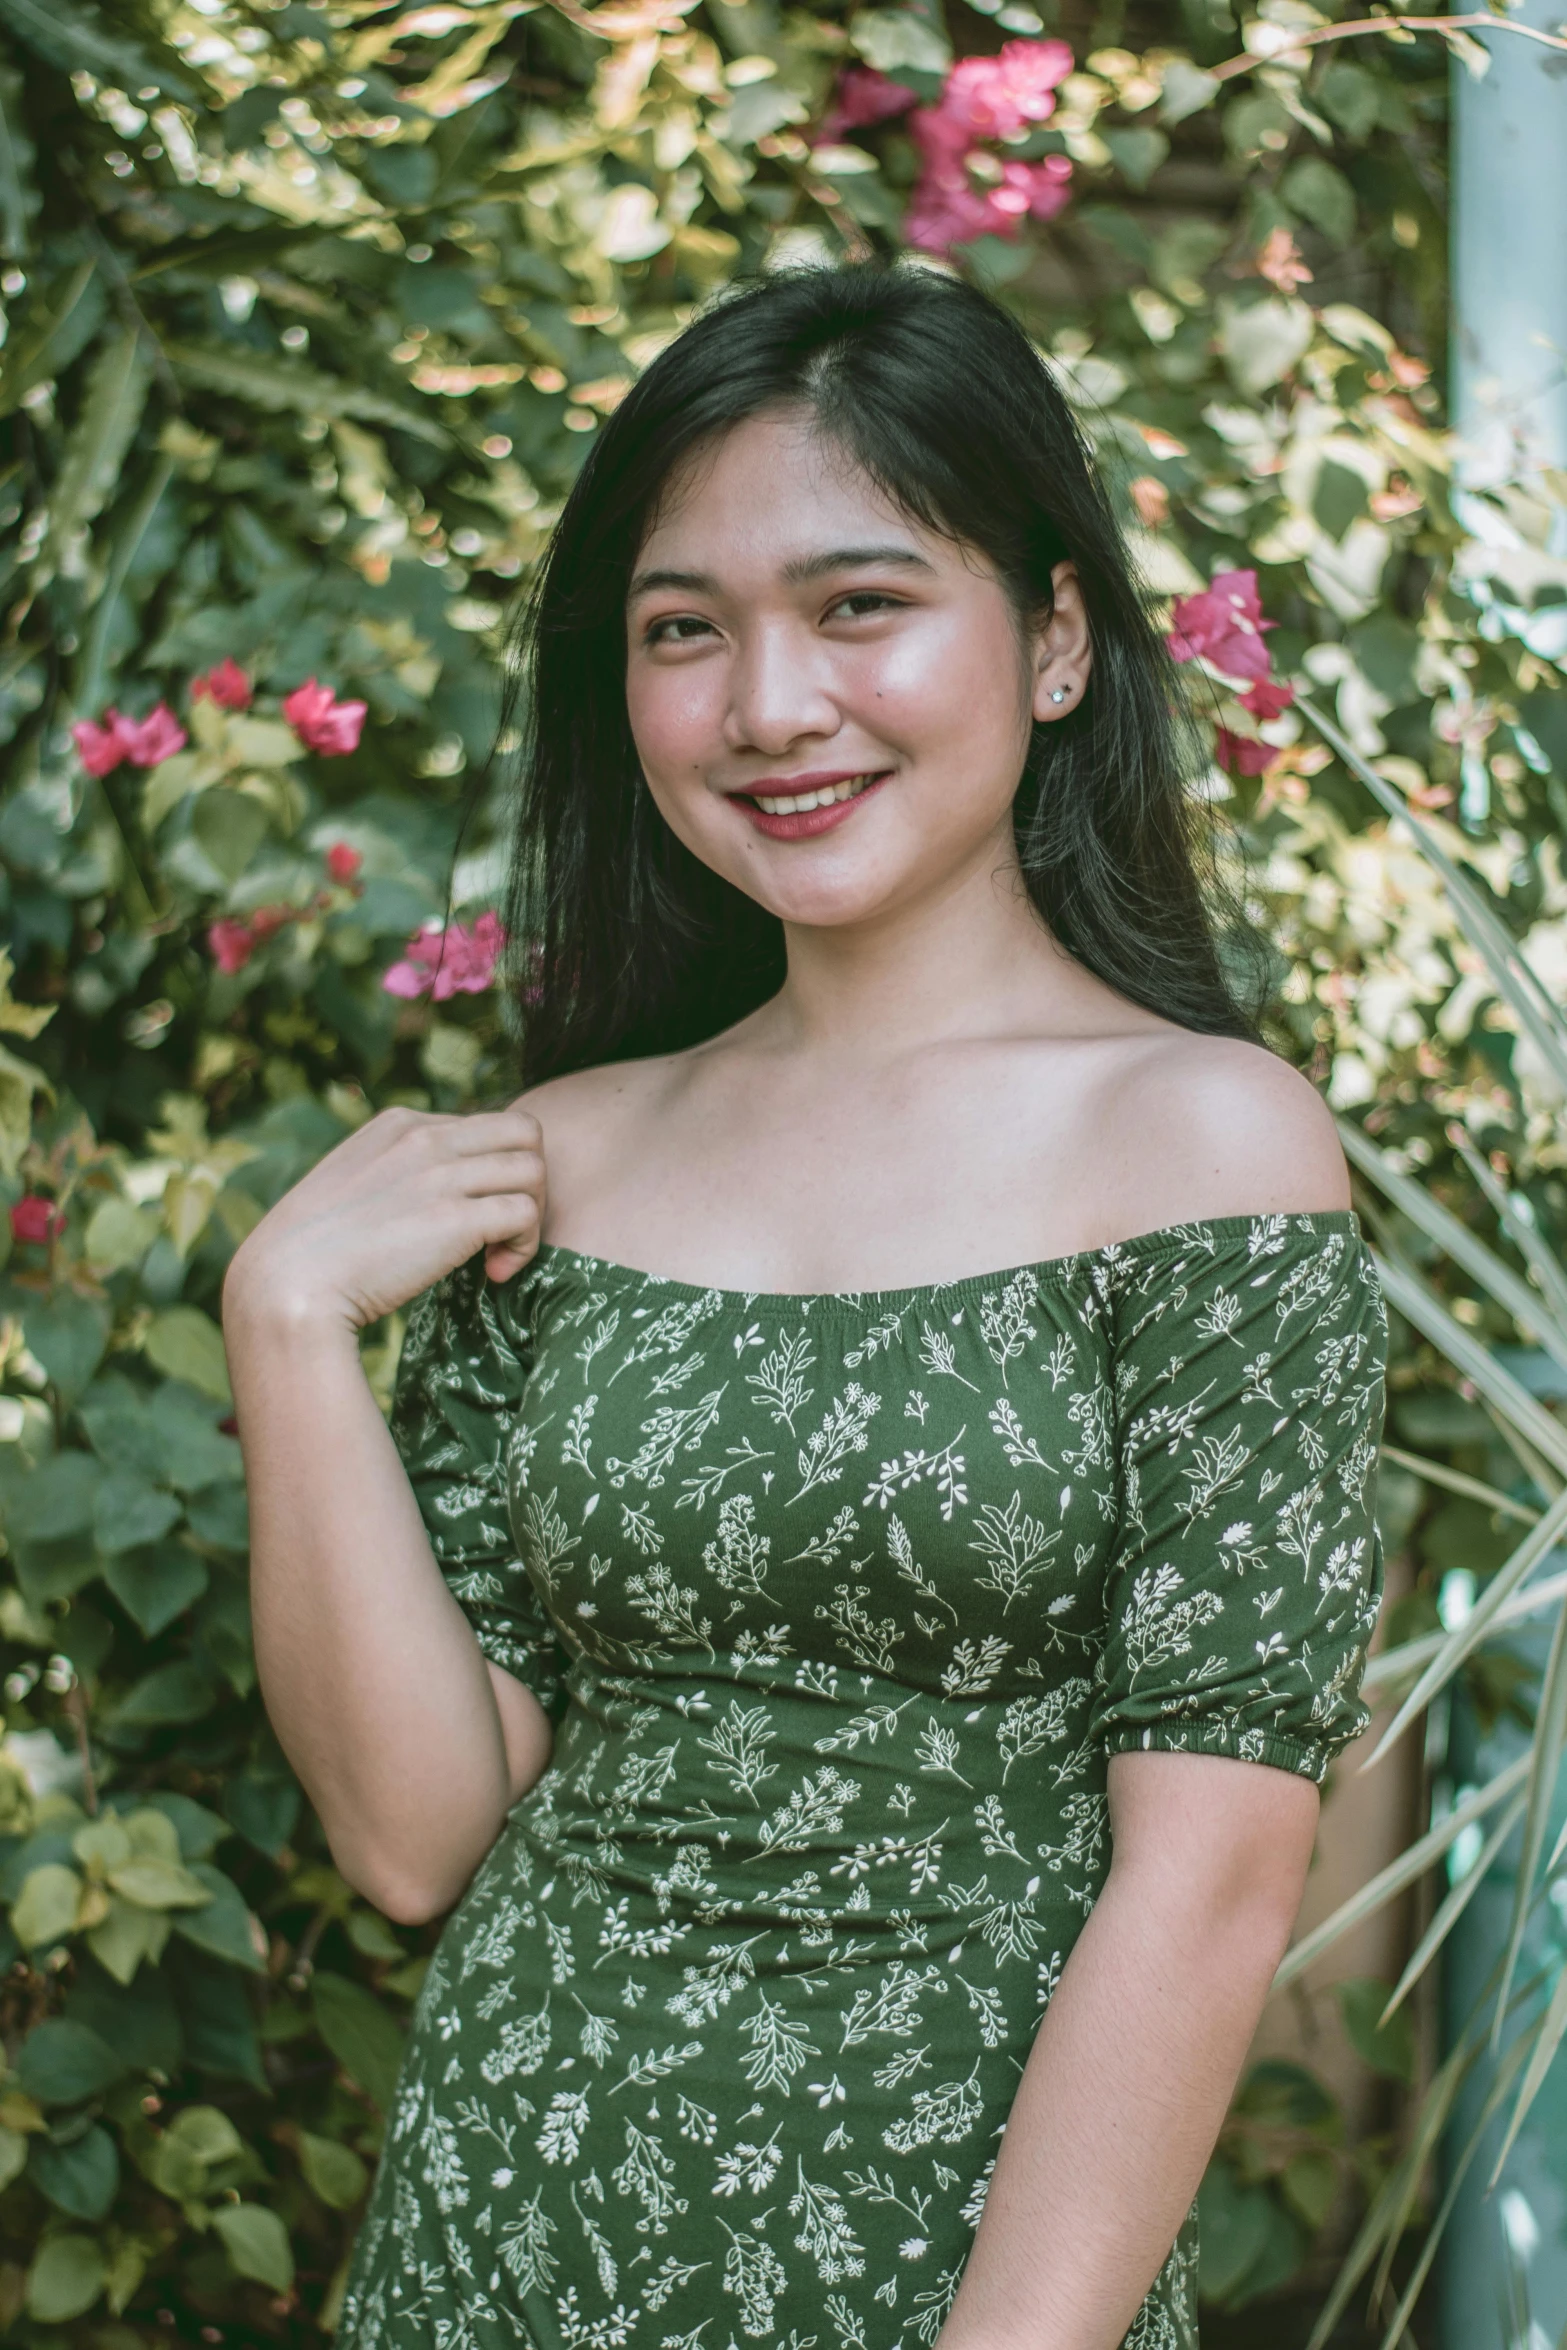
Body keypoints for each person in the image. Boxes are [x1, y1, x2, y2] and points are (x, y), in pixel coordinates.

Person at [224, 263, 1387, 2350]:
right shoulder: (559, 1157)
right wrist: (287, 1321)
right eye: (689, 629)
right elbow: (413, 1833)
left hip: (971, 2279)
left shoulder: (1210, 1147)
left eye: (859, 605)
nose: (768, 703)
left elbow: (1209, 1882)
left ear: (1050, 640)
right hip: (500, 2241)